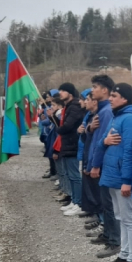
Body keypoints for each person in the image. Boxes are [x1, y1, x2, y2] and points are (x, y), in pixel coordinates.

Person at [98, 83, 132, 262]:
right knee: (120, 216)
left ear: (125, 99)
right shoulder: (117, 116)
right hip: (113, 176)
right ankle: (125, 254)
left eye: (115, 95)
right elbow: (103, 141)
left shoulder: (131, 119)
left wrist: (127, 180)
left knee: (130, 218)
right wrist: (104, 142)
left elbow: (130, 151)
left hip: (121, 178)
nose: (110, 98)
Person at [87, 75, 120, 258]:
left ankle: (114, 241)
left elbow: (104, 141)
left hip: (106, 165)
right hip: (101, 164)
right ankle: (108, 234)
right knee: (106, 203)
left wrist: (96, 164)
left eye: (95, 87)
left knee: (109, 205)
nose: (92, 91)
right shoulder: (102, 111)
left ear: (105, 90)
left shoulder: (107, 112)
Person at [55, 83, 86, 216]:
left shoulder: (74, 107)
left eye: (63, 90)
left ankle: (78, 202)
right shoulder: (69, 107)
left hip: (72, 145)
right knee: (70, 175)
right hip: (67, 145)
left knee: (74, 176)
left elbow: (67, 126)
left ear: (70, 93)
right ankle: (74, 200)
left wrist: (59, 129)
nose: (60, 92)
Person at [77, 88, 101, 220]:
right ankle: (94, 214)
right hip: (87, 154)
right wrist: (84, 130)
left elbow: (98, 142)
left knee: (97, 193)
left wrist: (91, 163)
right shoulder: (89, 115)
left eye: (86, 99)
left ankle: (100, 220)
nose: (84, 102)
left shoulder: (101, 115)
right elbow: (87, 137)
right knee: (90, 188)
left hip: (93, 159)